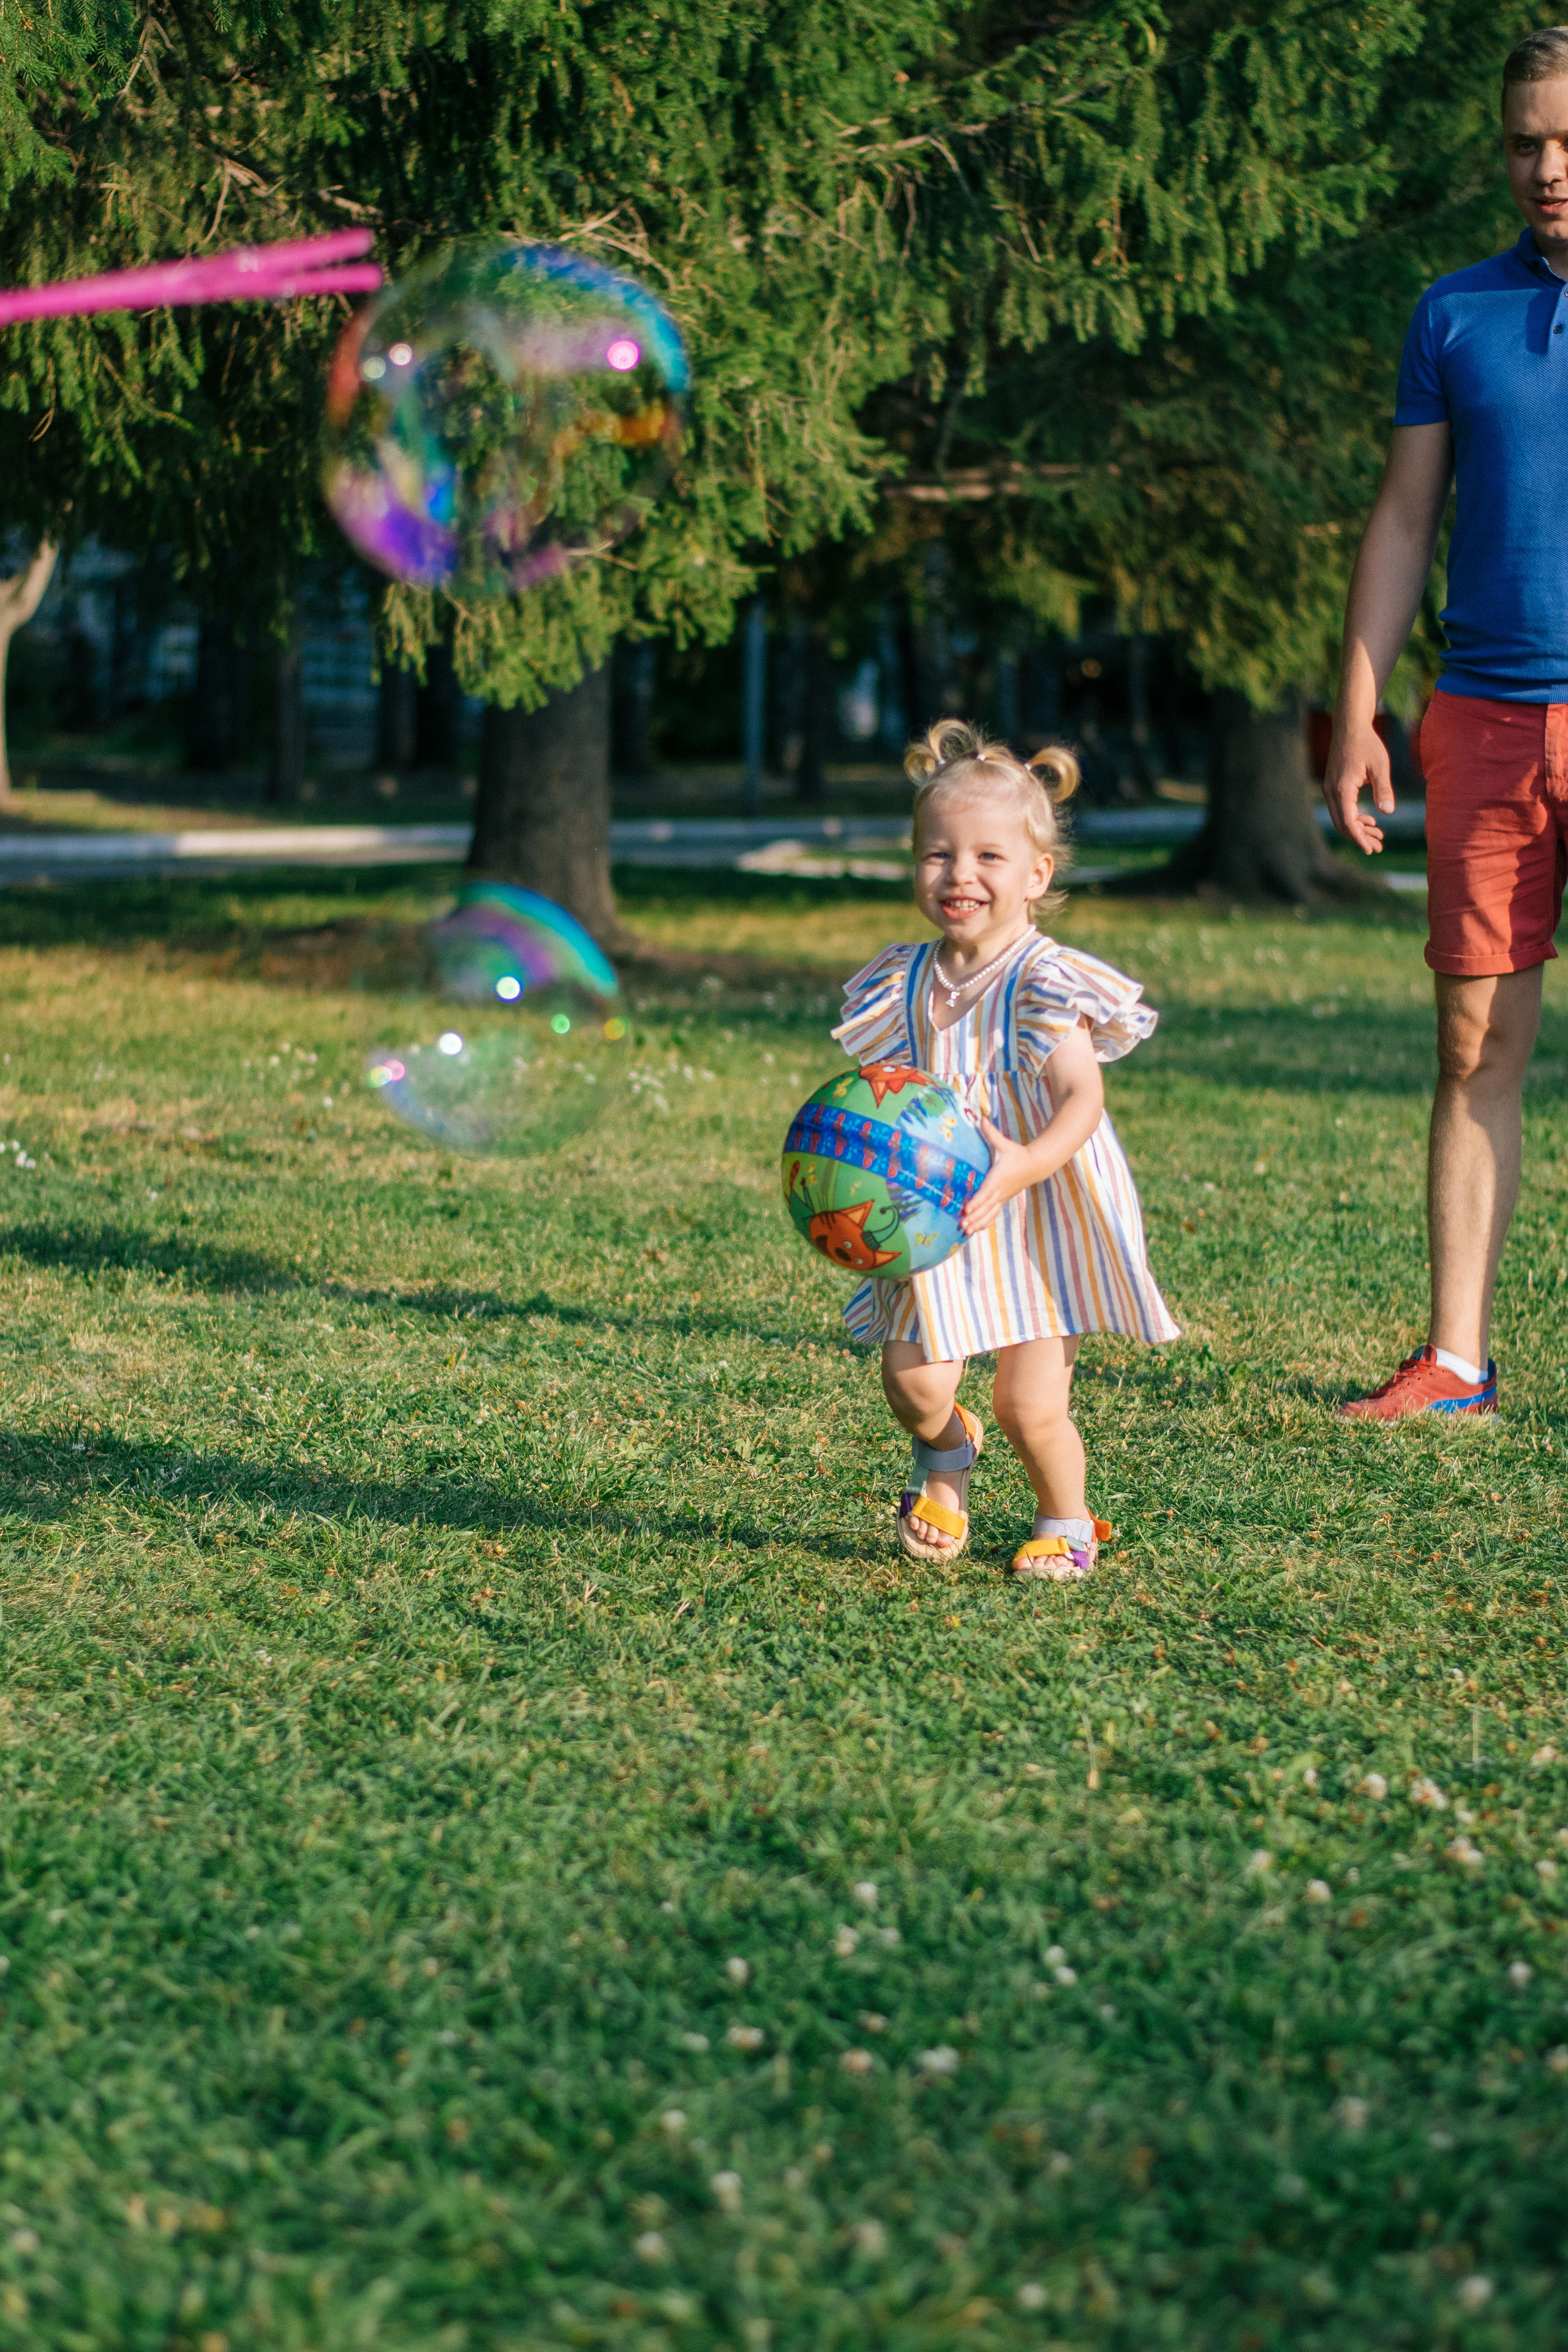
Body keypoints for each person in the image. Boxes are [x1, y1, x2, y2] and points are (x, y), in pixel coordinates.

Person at [1325, 26, 1568, 1420]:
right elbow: (1405, 516)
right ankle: (1455, 1359)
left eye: (1567, 141)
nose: (1545, 169)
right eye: (1524, 142)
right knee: (1472, 1049)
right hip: (1480, 719)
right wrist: (1358, 713)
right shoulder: (1453, 312)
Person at [831, 721, 1177, 1580]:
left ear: (1037, 875)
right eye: (938, 855)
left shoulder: (1042, 979)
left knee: (1030, 1405)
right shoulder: (902, 979)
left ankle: (1067, 1521)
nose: (961, 875)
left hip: (1036, 1206)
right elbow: (886, 1098)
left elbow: (1081, 1099)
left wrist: (1023, 1163)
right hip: (935, 1212)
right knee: (914, 1384)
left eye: (989, 857)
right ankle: (946, 1453)